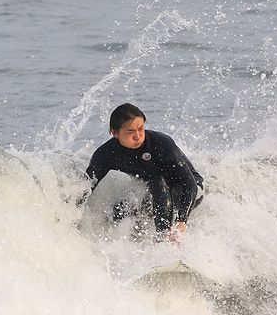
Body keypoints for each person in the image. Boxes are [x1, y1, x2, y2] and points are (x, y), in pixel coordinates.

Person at [82, 103, 203, 240]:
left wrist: (182, 220)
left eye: (141, 129)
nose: (138, 136)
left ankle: (164, 241)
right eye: (130, 132)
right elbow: (86, 187)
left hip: (190, 190)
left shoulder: (161, 143)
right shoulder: (106, 154)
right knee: (119, 212)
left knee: (157, 181)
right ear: (114, 133)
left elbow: (190, 183)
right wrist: (70, 216)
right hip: (155, 192)